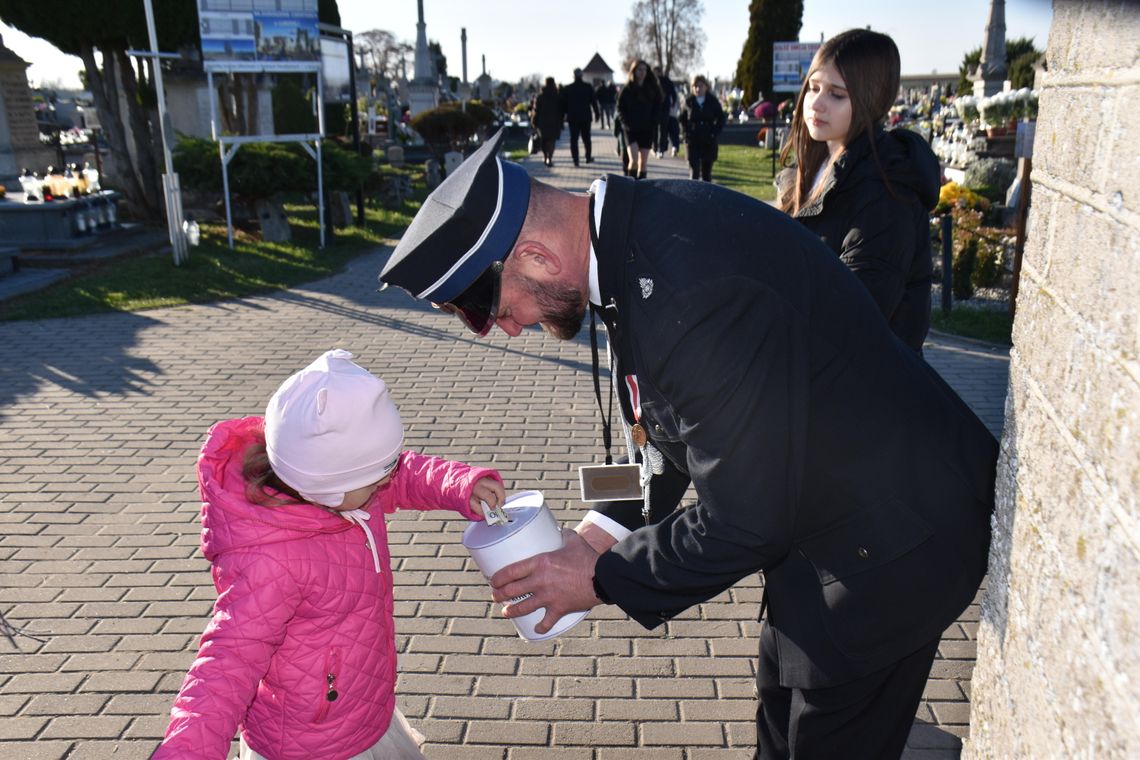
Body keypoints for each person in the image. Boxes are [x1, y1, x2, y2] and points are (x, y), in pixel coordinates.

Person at [377, 129, 997, 760]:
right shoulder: (628, 242)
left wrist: (598, 576)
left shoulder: (689, 291)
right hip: (822, 523)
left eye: (487, 307)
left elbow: (746, 520)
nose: (500, 329)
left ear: (537, 257)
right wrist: (597, 534)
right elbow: (666, 429)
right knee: (780, 732)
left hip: (894, 542)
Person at [153, 349, 505, 760]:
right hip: (309, 743)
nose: (389, 479)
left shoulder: (344, 487)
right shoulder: (270, 560)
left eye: (386, 468)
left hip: (363, 709)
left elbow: (403, 474)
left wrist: (459, 484)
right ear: (328, 486)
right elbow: (227, 662)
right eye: (378, 475)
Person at [777, 29, 940, 353]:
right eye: (814, 88)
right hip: (807, 377)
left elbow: (852, 319)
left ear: (872, 98)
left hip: (862, 389)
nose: (817, 104)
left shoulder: (886, 195)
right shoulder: (810, 168)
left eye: (837, 94)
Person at [617, 60, 661, 179]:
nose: (642, 72)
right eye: (639, 70)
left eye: (644, 70)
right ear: (634, 71)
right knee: (634, 160)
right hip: (631, 129)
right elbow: (620, 108)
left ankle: (641, 190)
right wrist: (625, 123)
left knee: (643, 162)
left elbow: (658, 106)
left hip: (647, 128)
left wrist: (654, 120)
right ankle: (630, 186)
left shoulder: (652, 89)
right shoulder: (627, 89)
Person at [679, 74, 726, 181]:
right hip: (693, 139)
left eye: (700, 86)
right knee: (694, 170)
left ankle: (707, 196)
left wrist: (714, 132)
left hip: (708, 139)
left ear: (706, 86)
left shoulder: (712, 101)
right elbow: (682, 119)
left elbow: (721, 118)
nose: (698, 89)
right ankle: (693, 196)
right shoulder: (688, 101)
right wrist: (686, 133)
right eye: (695, 86)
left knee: (706, 172)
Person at [560, 68, 598, 167]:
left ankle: (576, 160)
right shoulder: (588, 87)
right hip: (585, 116)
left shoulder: (568, 88)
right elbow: (593, 101)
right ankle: (588, 157)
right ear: (582, 76)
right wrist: (597, 113)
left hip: (573, 117)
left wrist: (562, 116)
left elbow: (563, 104)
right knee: (586, 138)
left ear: (573, 76)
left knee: (574, 139)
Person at [529, 77, 563, 167]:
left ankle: (545, 157)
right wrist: (562, 120)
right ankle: (550, 158)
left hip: (542, 122)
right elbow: (561, 110)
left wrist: (534, 121)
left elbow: (536, 110)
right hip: (555, 121)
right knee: (552, 141)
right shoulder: (557, 95)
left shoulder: (540, 96)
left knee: (544, 141)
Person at [652, 65, 680, 158]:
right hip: (662, 108)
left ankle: (657, 149)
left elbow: (673, 94)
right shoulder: (665, 81)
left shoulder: (654, 81)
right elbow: (673, 94)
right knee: (661, 131)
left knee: (658, 131)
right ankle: (659, 149)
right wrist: (672, 104)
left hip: (660, 109)